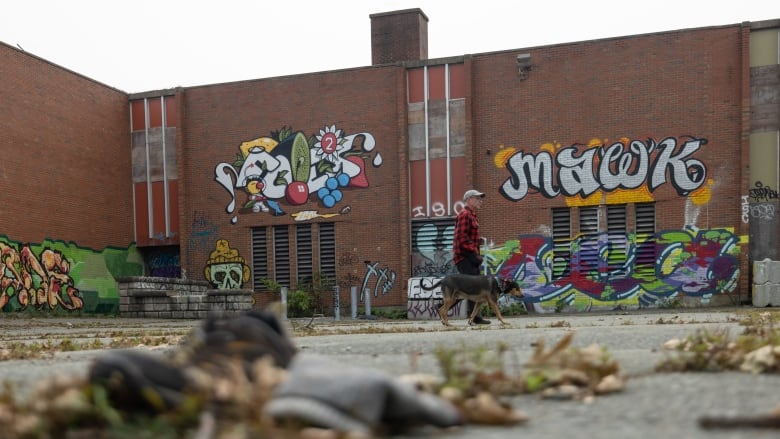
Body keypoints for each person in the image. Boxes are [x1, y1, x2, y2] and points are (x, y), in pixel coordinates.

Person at [452, 189, 490, 324]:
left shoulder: (472, 215)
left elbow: (467, 236)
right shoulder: (464, 215)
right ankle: (474, 317)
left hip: (470, 255)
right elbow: (461, 237)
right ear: (469, 200)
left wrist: (477, 242)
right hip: (464, 257)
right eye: (477, 198)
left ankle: (475, 317)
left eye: (481, 199)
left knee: (475, 287)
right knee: (471, 288)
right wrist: (474, 252)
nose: (480, 201)